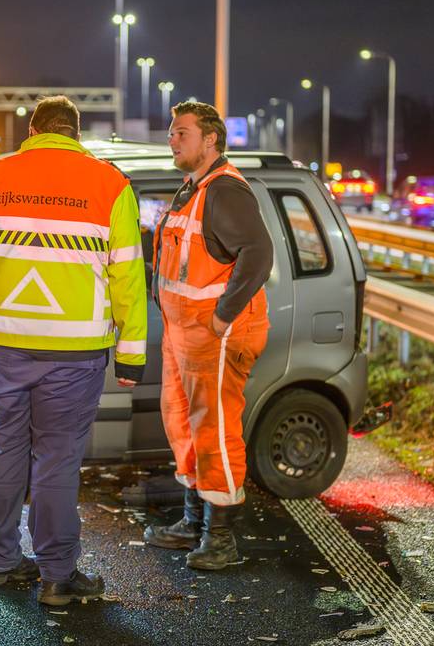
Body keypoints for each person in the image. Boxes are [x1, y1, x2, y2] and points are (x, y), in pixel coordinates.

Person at [0, 96, 148, 606]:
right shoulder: (110, 184)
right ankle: (57, 577)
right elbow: (127, 276)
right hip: (74, 350)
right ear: (75, 133)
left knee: (5, 449)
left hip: (4, 343)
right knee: (56, 460)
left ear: (33, 130)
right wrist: (132, 354)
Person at [142, 101, 273, 570]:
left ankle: (220, 539)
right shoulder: (193, 188)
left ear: (211, 139)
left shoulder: (224, 190)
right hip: (185, 332)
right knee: (183, 422)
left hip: (214, 334)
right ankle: (193, 521)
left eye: (182, 133)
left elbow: (258, 253)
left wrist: (222, 317)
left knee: (214, 429)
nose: (172, 140)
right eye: (171, 133)